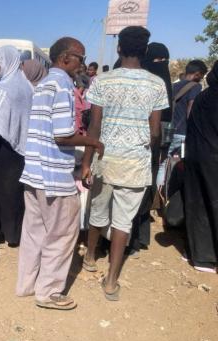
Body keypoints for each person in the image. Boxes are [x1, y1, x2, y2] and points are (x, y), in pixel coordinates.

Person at [82, 26, 169, 301]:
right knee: (122, 221)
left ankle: (91, 257)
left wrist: (87, 162)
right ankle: (110, 281)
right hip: (135, 161)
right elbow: (156, 132)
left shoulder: (102, 81)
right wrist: (149, 158)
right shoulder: (156, 84)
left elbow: (94, 127)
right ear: (144, 51)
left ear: (119, 48)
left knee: (97, 210)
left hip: (105, 158)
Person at [16, 37, 103, 310]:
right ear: (65, 58)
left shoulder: (42, 84)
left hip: (34, 173)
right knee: (62, 234)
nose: (83, 64)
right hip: (54, 176)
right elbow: (63, 136)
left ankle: (27, 285)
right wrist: (93, 142)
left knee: (34, 232)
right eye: (80, 57)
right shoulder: (63, 84)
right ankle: (49, 292)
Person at [0, 46, 34, 247]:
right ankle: (11, 233)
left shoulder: (4, 88)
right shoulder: (27, 86)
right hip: (21, 148)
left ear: (5, 63)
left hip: (3, 151)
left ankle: (1, 233)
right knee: (14, 193)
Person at [129, 42, 174, 257]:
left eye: (163, 61)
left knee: (139, 190)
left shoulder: (152, 84)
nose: (161, 65)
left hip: (143, 149)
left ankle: (134, 238)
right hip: (147, 149)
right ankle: (135, 238)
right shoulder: (157, 85)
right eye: (157, 61)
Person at [183, 60, 218, 274]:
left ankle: (199, 255)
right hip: (214, 159)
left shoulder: (203, 96)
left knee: (198, 204)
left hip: (197, 157)